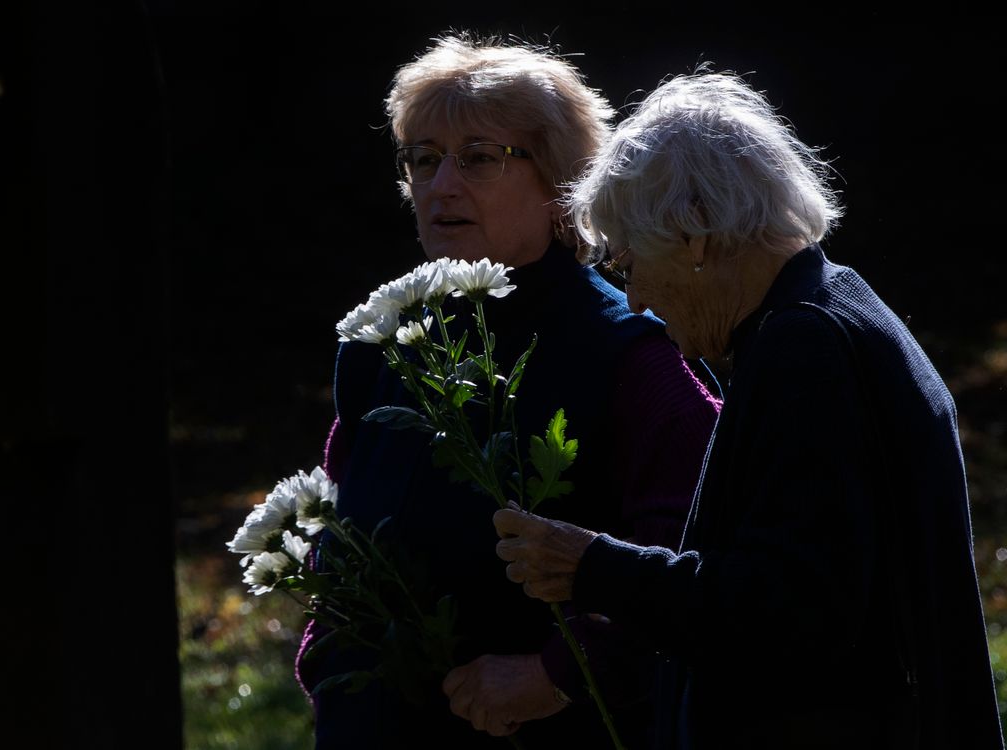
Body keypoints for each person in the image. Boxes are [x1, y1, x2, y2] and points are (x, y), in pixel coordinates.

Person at [492, 68, 1005, 750]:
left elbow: (790, 613)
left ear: (694, 233)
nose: (637, 299)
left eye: (630, 261)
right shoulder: (835, 310)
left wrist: (595, 568)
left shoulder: (807, 348)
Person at [294, 34, 721, 748]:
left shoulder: (626, 350)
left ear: (559, 182)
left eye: (479, 158)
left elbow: (697, 554)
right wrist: (332, 657)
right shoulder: (382, 345)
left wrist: (560, 671)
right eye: (423, 160)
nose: (442, 185)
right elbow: (342, 531)